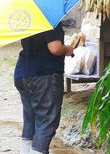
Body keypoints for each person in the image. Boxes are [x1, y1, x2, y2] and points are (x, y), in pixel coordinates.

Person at [14, 23, 73, 154]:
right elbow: (55, 48)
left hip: (22, 73)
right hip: (43, 74)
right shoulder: (49, 21)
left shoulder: (30, 19)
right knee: (46, 122)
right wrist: (68, 49)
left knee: (30, 120)